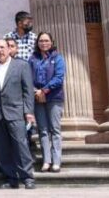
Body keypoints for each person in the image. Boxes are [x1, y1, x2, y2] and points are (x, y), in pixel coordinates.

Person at [0, 38, 36, 189]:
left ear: (9, 49)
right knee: (3, 148)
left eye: (2, 47)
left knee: (21, 145)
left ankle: (27, 177)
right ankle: (11, 178)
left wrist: (28, 112)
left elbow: (28, 91)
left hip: (16, 112)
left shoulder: (21, 66)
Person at [28, 32, 66, 173]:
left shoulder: (58, 58)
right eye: (41, 41)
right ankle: (46, 161)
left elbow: (59, 77)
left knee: (55, 129)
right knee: (42, 130)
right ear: (37, 43)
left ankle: (56, 161)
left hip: (54, 97)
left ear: (51, 42)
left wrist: (44, 90)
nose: (44, 43)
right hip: (38, 98)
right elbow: (28, 77)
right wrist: (36, 91)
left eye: (46, 40)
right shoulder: (33, 59)